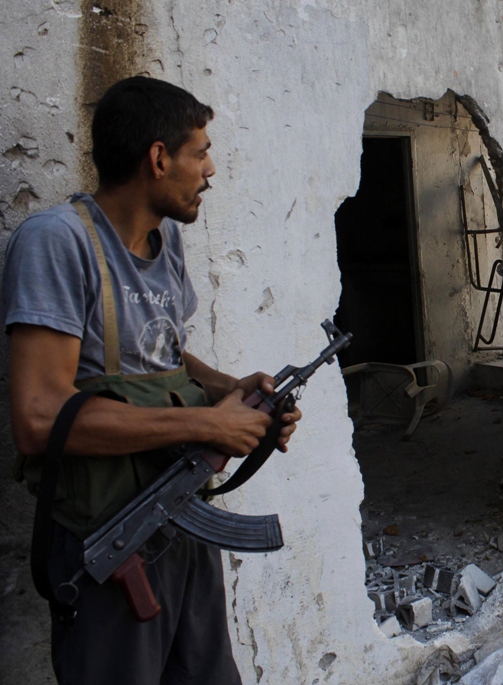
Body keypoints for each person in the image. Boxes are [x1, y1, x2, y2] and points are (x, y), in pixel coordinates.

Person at [1, 76, 301, 684]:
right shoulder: (57, 243)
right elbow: (37, 418)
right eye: (200, 153)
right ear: (159, 158)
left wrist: (228, 391)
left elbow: (162, 354)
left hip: (178, 512)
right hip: (107, 538)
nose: (210, 169)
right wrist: (205, 422)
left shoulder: (166, 244)